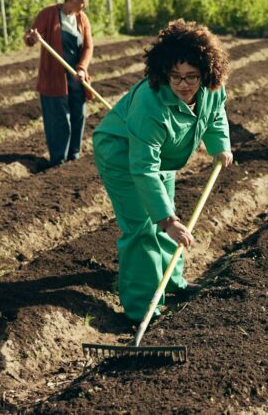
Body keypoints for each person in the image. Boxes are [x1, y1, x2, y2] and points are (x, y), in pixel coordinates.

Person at [92, 19, 233, 323]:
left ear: (206, 73)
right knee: (144, 228)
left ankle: (173, 282)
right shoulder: (150, 105)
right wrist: (166, 220)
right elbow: (143, 168)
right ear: (163, 72)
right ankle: (142, 308)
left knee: (170, 220)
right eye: (176, 76)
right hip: (122, 154)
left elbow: (216, 113)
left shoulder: (210, 89)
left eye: (191, 77)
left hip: (163, 158)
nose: (183, 84)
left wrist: (220, 145)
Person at [24, 0, 94, 166]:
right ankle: (58, 160)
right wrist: (33, 38)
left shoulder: (82, 18)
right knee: (59, 120)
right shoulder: (49, 14)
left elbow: (88, 46)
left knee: (78, 115)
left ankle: (74, 156)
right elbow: (30, 37)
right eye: (82, 1)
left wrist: (82, 68)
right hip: (55, 78)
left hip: (77, 77)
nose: (84, 5)